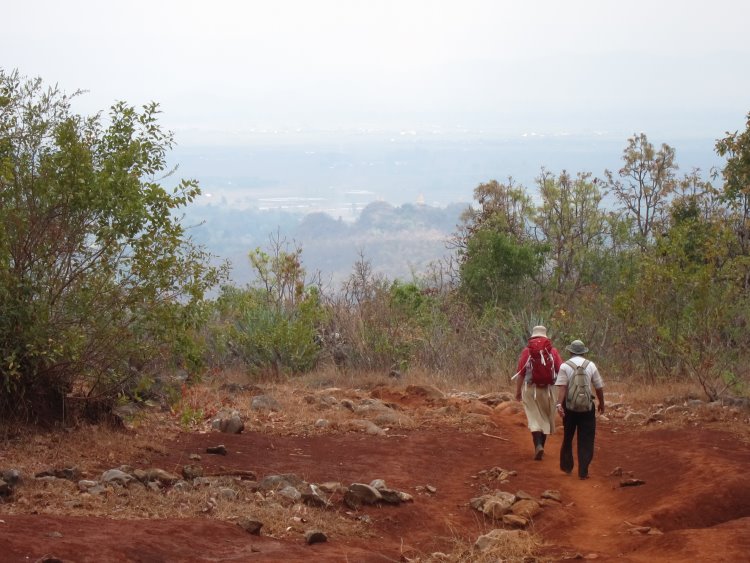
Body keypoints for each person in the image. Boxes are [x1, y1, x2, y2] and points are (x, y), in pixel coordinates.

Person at [555, 339, 605, 480]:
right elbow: (598, 386)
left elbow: (562, 388)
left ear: (570, 351)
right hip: (587, 407)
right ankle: (583, 470)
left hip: (569, 407)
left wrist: (559, 405)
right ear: (584, 352)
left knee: (568, 436)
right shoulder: (591, 365)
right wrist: (602, 403)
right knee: (586, 438)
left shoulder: (565, 366)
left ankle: (567, 466)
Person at [514, 325, 562, 460]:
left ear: (533, 336)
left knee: (534, 418)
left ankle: (538, 445)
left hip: (531, 390)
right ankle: (542, 447)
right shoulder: (553, 351)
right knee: (546, 418)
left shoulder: (526, 352)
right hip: (549, 390)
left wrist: (518, 392)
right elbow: (560, 370)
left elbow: (521, 374)